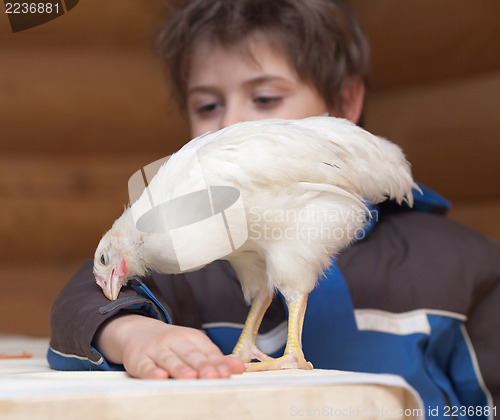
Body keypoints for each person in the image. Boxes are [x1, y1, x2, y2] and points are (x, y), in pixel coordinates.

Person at [49, 0, 499, 413]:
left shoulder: (462, 265)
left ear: (346, 101)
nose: (232, 123)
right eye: (208, 105)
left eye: (265, 98)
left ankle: (292, 354)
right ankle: (251, 344)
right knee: (264, 282)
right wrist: (130, 331)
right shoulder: (191, 261)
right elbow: (81, 301)